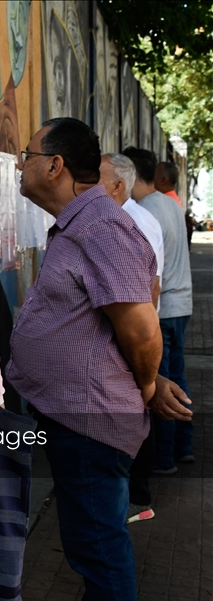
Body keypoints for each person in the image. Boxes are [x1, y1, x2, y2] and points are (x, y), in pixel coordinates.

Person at [7, 118, 190, 601]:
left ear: (55, 165)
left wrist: (146, 384)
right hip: (77, 415)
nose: (20, 163)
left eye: (27, 153)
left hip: (90, 419)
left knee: (98, 546)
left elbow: (140, 328)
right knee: (95, 543)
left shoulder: (103, 228)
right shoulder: (81, 225)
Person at [98, 153, 163, 515]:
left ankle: (136, 493)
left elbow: (148, 289)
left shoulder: (131, 221)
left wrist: (135, 334)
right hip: (131, 334)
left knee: (140, 407)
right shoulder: (121, 218)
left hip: (135, 335)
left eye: (98, 178)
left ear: (119, 185)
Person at [123, 147, 194, 473]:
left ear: (131, 174)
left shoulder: (142, 211)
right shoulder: (170, 203)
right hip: (181, 306)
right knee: (177, 379)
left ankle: (164, 458)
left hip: (162, 311)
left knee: (158, 385)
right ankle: (183, 447)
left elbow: (150, 278)